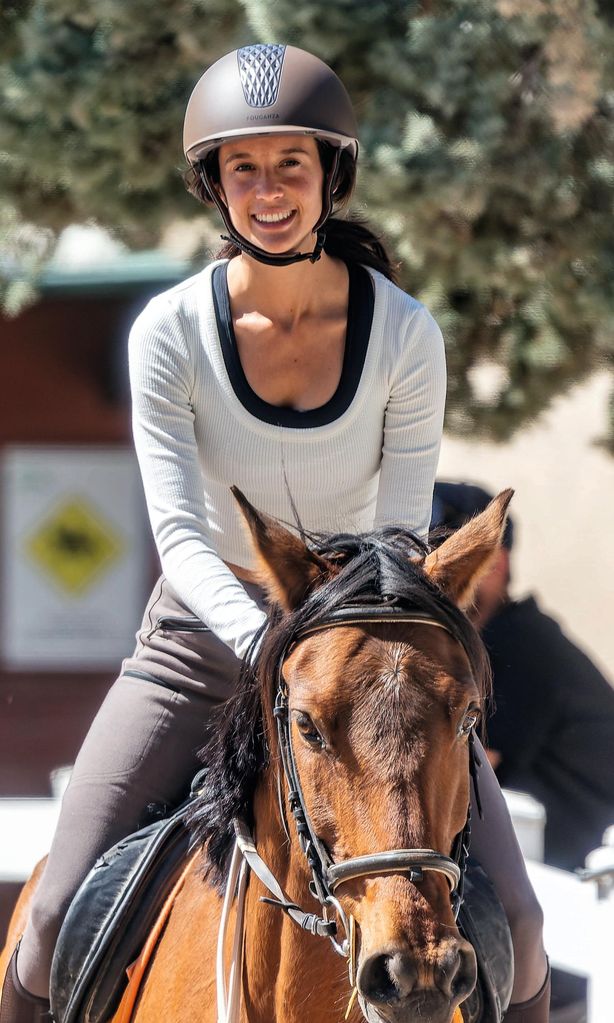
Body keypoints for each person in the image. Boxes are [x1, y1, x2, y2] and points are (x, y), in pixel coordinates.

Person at [1, 45, 548, 1023]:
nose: (266, 191)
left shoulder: (402, 332)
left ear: (328, 175)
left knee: (520, 922)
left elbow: (392, 535)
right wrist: (276, 647)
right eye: (240, 168)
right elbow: (177, 532)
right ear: (213, 184)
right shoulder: (166, 333)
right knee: (45, 923)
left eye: (288, 165)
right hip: (202, 643)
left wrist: (325, 650)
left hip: (364, 657)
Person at [431, 480, 614, 871]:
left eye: (448, 559)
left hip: (585, 880)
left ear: (494, 563)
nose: (431, 575)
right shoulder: (489, 639)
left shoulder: (518, 644)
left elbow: (458, 767)